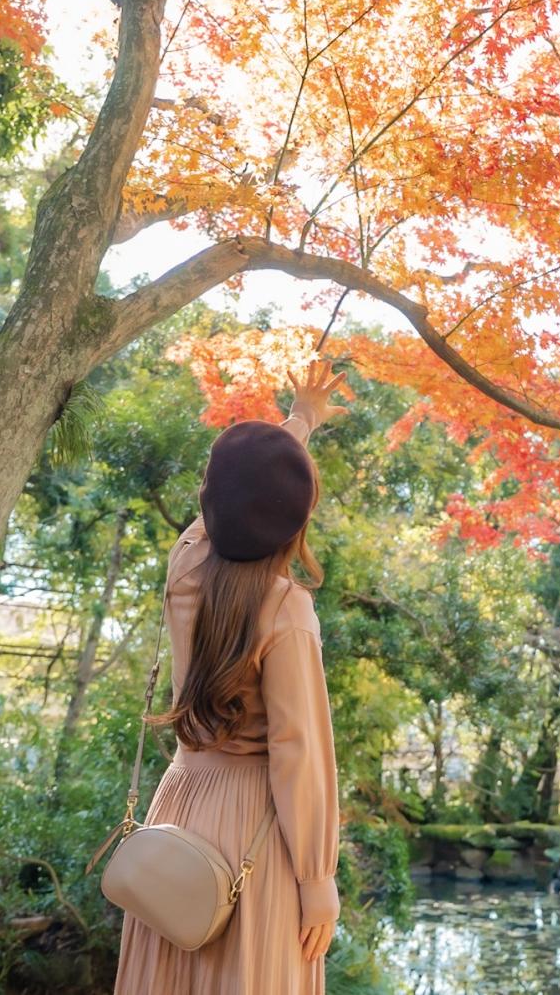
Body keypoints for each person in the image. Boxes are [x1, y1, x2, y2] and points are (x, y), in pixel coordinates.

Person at [114, 361, 350, 995]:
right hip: (257, 828)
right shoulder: (286, 608)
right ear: (295, 518)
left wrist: (297, 422)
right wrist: (317, 878)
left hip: (182, 803)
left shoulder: (184, 567)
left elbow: (236, 497)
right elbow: (296, 755)